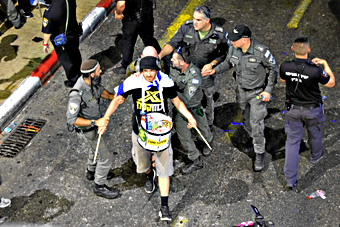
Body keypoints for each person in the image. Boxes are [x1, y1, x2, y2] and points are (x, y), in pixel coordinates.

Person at [99, 56, 197, 221]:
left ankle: (164, 207)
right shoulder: (133, 82)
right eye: (146, 71)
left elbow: (177, 101)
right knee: (141, 164)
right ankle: (148, 175)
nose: (149, 74)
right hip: (140, 132)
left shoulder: (165, 82)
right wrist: (105, 118)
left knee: (165, 170)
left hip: (161, 134)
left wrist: (189, 117)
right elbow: (117, 99)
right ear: (141, 71)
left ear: (157, 70)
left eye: (152, 70)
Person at [206, 25, 278, 172]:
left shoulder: (260, 51)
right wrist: (215, 70)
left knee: (256, 122)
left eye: (235, 40)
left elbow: (273, 69)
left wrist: (268, 90)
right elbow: (228, 63)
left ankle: (259, 153)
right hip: (241, 91)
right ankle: (253, 138)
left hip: (257, 93)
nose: (232, 42)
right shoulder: (234, 48)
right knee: (246, 118)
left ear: (245, 40)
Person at [158, 5, 229, 131]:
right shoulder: (186, 28)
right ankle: (183, 125)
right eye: (194, 18)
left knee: (207, 103)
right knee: (183, 100)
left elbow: (224, 54)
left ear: (207, 21)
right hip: (187, 74)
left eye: (198, 20)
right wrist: (160, 55)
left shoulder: (219, 34)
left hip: (205, 76)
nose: (195, 22)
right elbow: (172, 43)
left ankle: (207, 128)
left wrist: (212, 64)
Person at [279, 36, 335, 188]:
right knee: (315, 134)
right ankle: (315, 157)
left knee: (292, 143)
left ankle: (290, 180)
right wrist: (324, 64)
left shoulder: (285, 66)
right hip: (313, 110)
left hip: (293, 110)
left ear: (292, 48)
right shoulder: (315, 70)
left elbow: (284, 80)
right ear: (308, 50)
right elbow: (331, 82)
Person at [66, 59, 119, 199]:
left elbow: (102, 92)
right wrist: (96, 122)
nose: (101, 71)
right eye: (99, 70)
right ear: (92, 75)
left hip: (93, 127)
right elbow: (71, 120)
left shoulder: (92, 83)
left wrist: (115, 98)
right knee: (105, 158)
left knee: (93, 149)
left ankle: (91, 171)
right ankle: (99, 185)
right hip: (87, 130)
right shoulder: (77, 93)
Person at [170, 46, 213, 174]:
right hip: (180, 108)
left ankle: (207, 142)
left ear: (182, 62)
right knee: (184, 135)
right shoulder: (174, 67)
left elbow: (185, 99)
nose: (171, 60)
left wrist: (170, 93)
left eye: (173, 59)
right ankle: (196, 159)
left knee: (203, 127)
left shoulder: (194, 77)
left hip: (192, 106)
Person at [112, 0, 161, 74]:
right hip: (147, 14)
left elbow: (121, 3)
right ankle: (161, 57)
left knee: (128, 43)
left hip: (132, 19)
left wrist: (118, 13)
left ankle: (126, 66)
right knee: (149, 39)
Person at [41, 0, 82, 87]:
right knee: (76, 54)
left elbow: (47, 31)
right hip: (74, 32)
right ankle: (79, 72)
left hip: (63, 40)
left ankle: (74, 80)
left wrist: (45, 43)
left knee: (67, 61)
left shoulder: (50, 12)